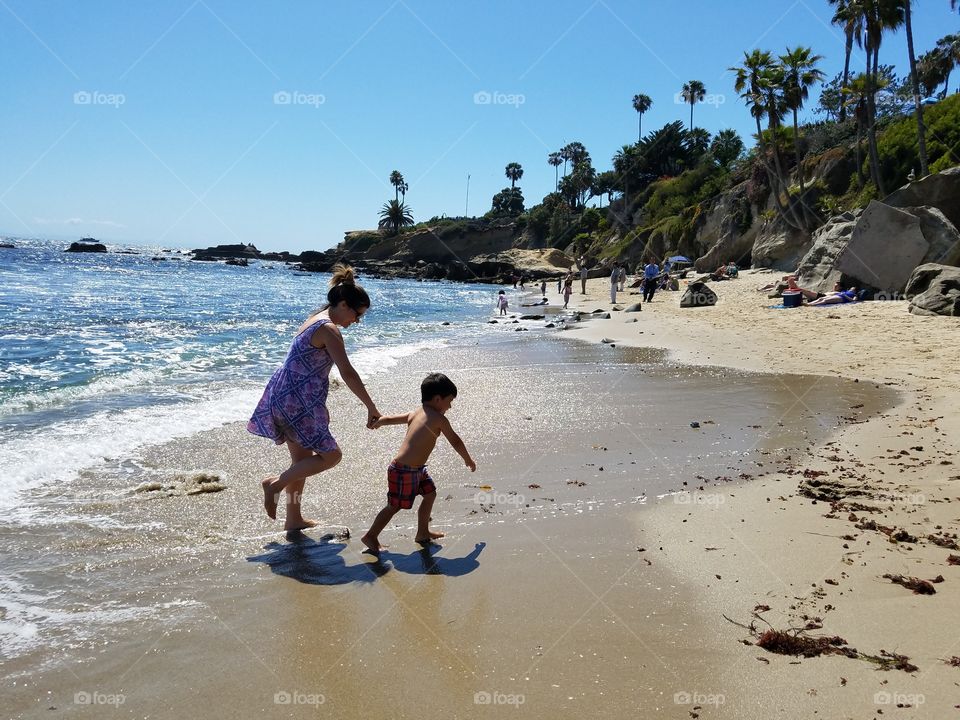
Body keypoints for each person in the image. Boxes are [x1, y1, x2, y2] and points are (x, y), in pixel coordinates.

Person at [249, 264, 381, 532]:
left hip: (285, 396)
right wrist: (371, 406)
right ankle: (274, 484)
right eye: (357, 314)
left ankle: (293, 519)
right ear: (343, 304)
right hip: (297, 401)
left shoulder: (315, 318)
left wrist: (320, 406)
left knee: (302, 463)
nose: (356, 321)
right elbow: (347, 372)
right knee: (331, 456)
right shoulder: (328, 329)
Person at [361, 373, 476, 553]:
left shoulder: (416, 412)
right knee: (394, 506)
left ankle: (423, 532)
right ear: (438, 399)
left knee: (430, 494)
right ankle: (371, 536)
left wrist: (379, 422)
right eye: (450, 401)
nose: (450, 406)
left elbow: (391, 419)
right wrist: (467, 459)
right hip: (404, 470)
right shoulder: (439, 419)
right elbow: (455, 441)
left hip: (416, 470)